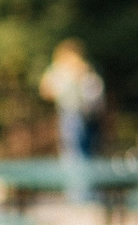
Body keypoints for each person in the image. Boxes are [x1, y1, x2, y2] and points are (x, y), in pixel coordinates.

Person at [39, 41, 104, 202]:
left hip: (83, 115)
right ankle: (79, 193)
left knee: (81, 152)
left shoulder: (80, 68)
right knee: (75, 153)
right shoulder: (61, 69)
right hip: (71, 115)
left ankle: (82, 192)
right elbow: (46, 90)